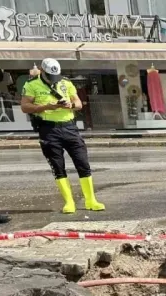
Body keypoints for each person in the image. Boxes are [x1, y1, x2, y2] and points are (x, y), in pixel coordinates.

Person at [21, 58, 104, 214]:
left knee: (83, 163)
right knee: (58, 167)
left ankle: (91, 200)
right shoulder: (31, 85)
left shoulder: (66, 82)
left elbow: (79, 103)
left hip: (69, 127)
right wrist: (48, 106)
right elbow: (25, 107)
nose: (54, 79)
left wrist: (70, 105)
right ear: (42, 71)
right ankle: (69, 202)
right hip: (48, 129)